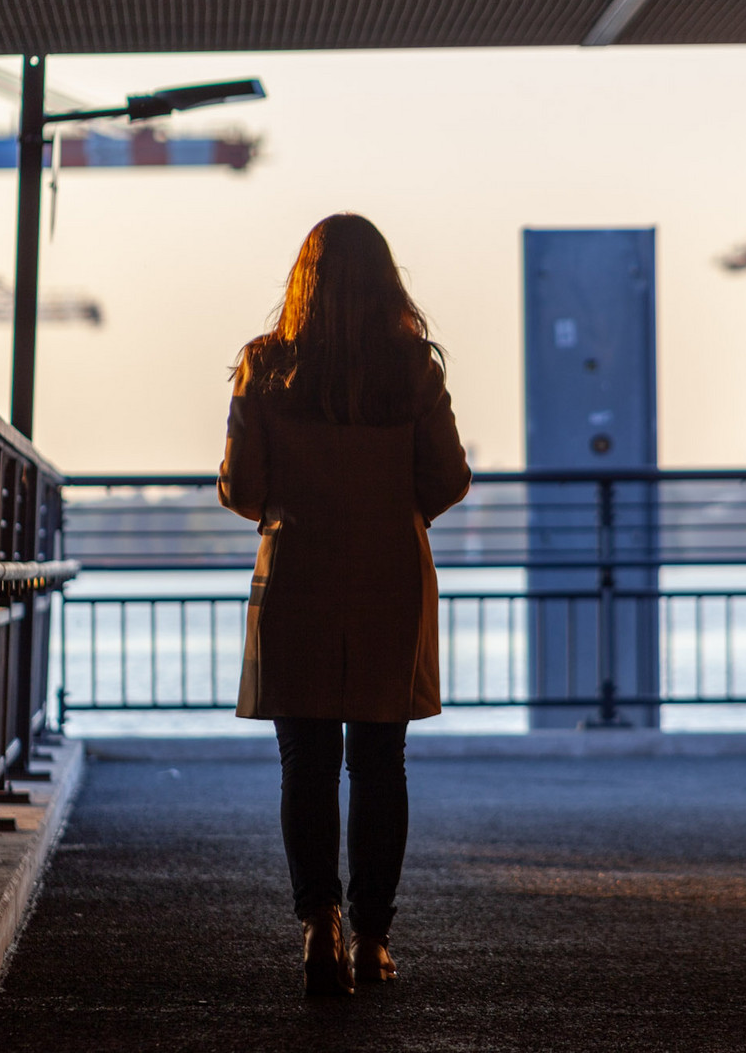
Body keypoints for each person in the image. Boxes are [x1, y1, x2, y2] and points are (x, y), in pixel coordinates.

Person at [218, 213, 471, 996]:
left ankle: (317, 927)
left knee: (307, 765)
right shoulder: (412, 369)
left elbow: (244, 490)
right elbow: (450, 479)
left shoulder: (266, 367)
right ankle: (370, 939)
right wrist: (395, 513)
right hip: (388, 579)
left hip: (297, 578)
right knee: (380, 763)